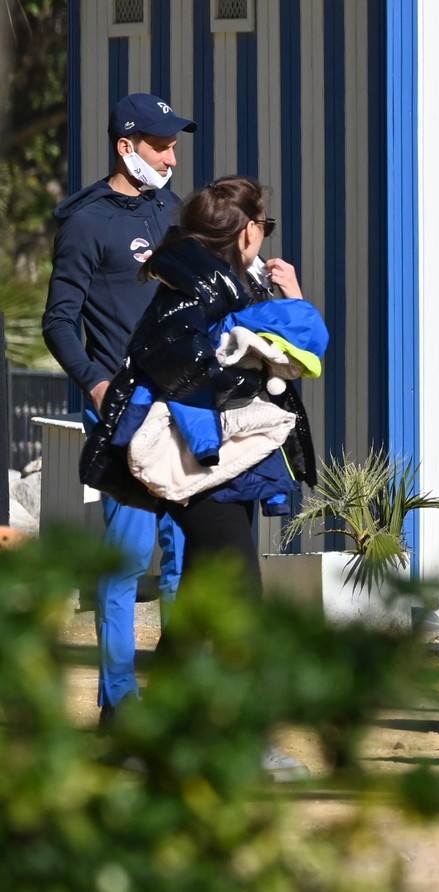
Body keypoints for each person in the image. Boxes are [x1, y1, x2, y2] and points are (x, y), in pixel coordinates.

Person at [80, 176, 327, 780]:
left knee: (196, 609)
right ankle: (250, 741)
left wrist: (280, 303)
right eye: (262, 226)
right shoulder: (197, 292)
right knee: (242, 606)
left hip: (218, 467)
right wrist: (251, 342)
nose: (264, 236)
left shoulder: (217, 285)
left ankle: (151, 736)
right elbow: (182, 366)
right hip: (207, 467)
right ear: (243, 233)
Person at [42, 93, 194, 722]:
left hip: (183, 410)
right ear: (126, 147)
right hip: (124, 412)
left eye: (176, 143)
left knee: (186, 557)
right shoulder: (86, 223)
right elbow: (58, 323)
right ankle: (121, 707)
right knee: (128, 562)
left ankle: (180, 700)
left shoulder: (171, 210)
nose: (173, 155)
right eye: (161, 144)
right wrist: (96, 385)